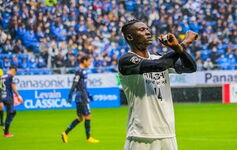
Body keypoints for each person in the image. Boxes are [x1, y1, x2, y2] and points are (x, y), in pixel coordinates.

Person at [118, 19, 198, 150]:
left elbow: (190, 68)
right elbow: (159, 66)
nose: (148, 32)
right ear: (130, 37)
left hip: (168, 134)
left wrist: (178, 47)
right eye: (142, 30)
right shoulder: (126, 60)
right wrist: (185, 43)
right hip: (141, 135)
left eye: (147, 29)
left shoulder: (159, 57)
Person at [61, 56, 99, 143]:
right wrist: (70, 95)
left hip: (82, 95)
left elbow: (82, 86)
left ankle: (65, 133)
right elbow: (75, 83)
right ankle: (88, 138)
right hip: (81, 97)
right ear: (84, 61)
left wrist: (88, 94)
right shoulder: (79, 71)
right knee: (88, 116)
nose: (90, 63)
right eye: (89, 61)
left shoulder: (84, 71)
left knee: (80, 117)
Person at [0, 66, 22, 137]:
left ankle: (5, 128)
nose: (14, 73)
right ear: (12, 70)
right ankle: (6, 132)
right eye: (15, 72)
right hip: (8, 98)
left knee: (11, 112)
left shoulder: (2, 76)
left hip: (1, 96)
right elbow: (13, 86)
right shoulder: (10, 76)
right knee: (11, 113)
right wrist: (18, 96)